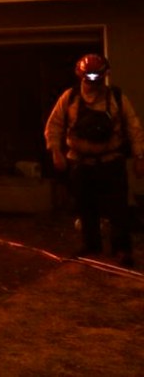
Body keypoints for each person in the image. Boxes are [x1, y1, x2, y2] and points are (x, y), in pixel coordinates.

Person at [45, 54, 144, 267]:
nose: (93, 82)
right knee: (85, 207)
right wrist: (56, 151)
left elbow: (133, 126)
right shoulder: (70, 98)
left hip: (111, 161)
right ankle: (91, 246)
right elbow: (54, 125)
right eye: (88, 77)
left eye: (97, 77)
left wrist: (139, 156)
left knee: (118, 208)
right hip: (81, 163)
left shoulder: (116, 98)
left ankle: (122, 249)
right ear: (80, 75)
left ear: (105, 75)